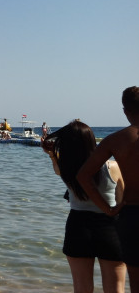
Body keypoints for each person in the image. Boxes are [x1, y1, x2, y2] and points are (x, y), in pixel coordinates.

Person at [44, 120, 125, 293]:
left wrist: (52, 154)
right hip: (110, 227)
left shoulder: (67, 170)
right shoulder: (113, 167)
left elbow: (57, 168)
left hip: (78, 227)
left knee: (82, 288)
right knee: (115, 288)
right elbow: (122, 201)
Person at [78, 86, 139, 291]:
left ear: (125, 111)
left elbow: (83, 176)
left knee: (136, 280)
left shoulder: (115, 140)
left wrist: (108, 209)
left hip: (132, 214)